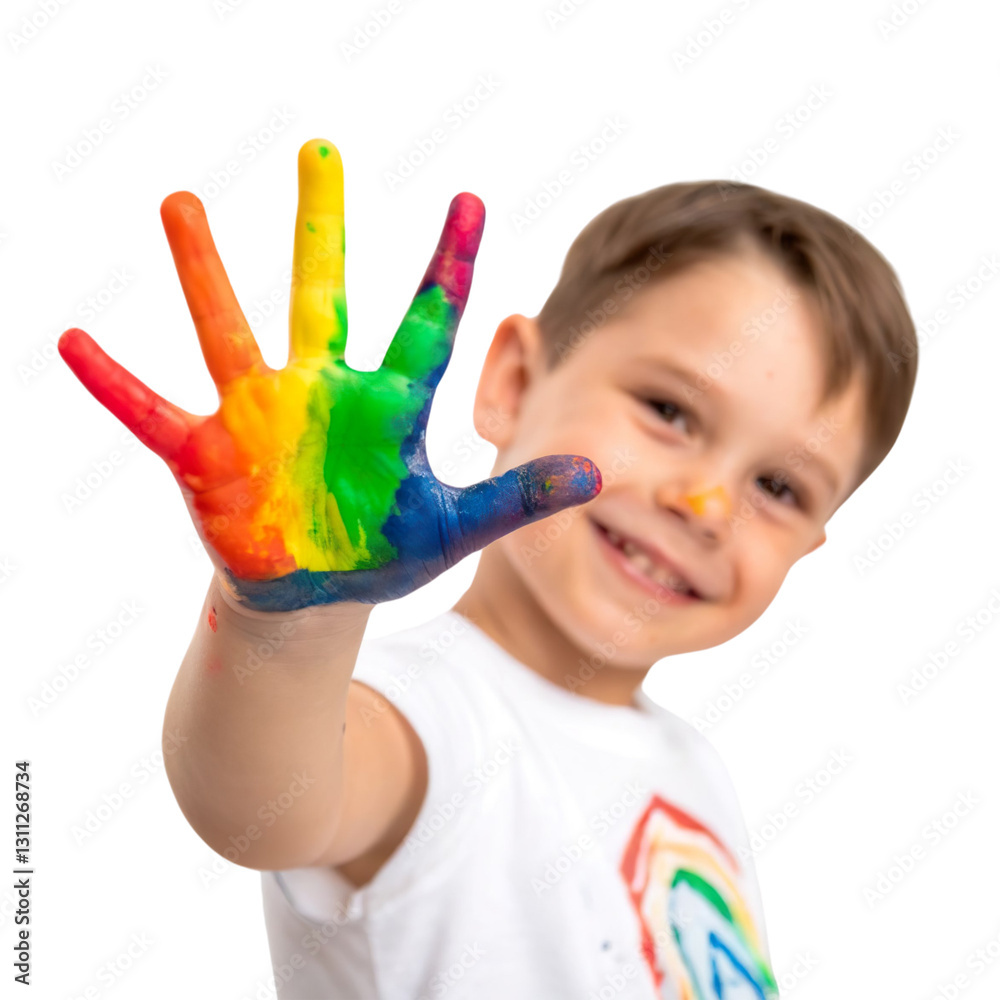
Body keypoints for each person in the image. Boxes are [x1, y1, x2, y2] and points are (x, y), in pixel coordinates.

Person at [58, 138, 918, 999]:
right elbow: (259, 805)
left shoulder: (696, 770)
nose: (706, 503)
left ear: (811, 544)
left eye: (778, 487)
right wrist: (285, 619)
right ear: (512, 382)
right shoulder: (423, 718)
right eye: (669, 410)